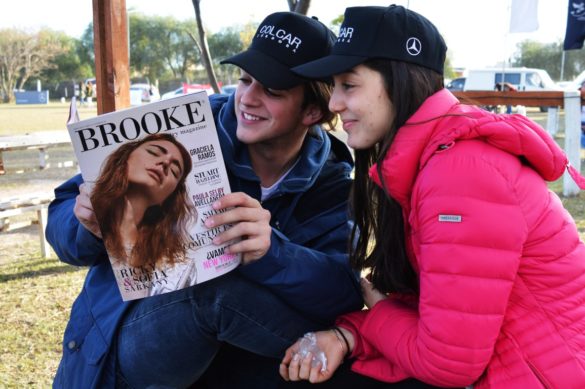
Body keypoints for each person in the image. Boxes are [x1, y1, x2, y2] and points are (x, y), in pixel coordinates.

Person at [46, 11, 363, 389]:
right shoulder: (178, 128)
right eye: (246, 80)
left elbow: (342, 294)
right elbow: (62, 224)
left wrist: (272, 254)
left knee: (316, 337)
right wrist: (85, 225)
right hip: (127, 344)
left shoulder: (331, 182)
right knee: (212, 291)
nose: (248, 98)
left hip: (238, 364)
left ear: (312, 111)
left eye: (272, 91)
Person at [280, 5, 585, 388]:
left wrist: (376, 309)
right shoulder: (432, 162)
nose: (334, 104)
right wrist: (350, 334)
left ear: (399, 81)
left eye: (349, 85)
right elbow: (442, 308)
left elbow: (448, 362)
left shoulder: (461, 174)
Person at [90, 133, 195, 268]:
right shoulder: (88, 197)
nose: (165, 162)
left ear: (170, 197)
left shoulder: (168, 258)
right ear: (126, 156)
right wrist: (86, 230)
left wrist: (129, 243)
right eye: (153, 152)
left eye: (174, 171)